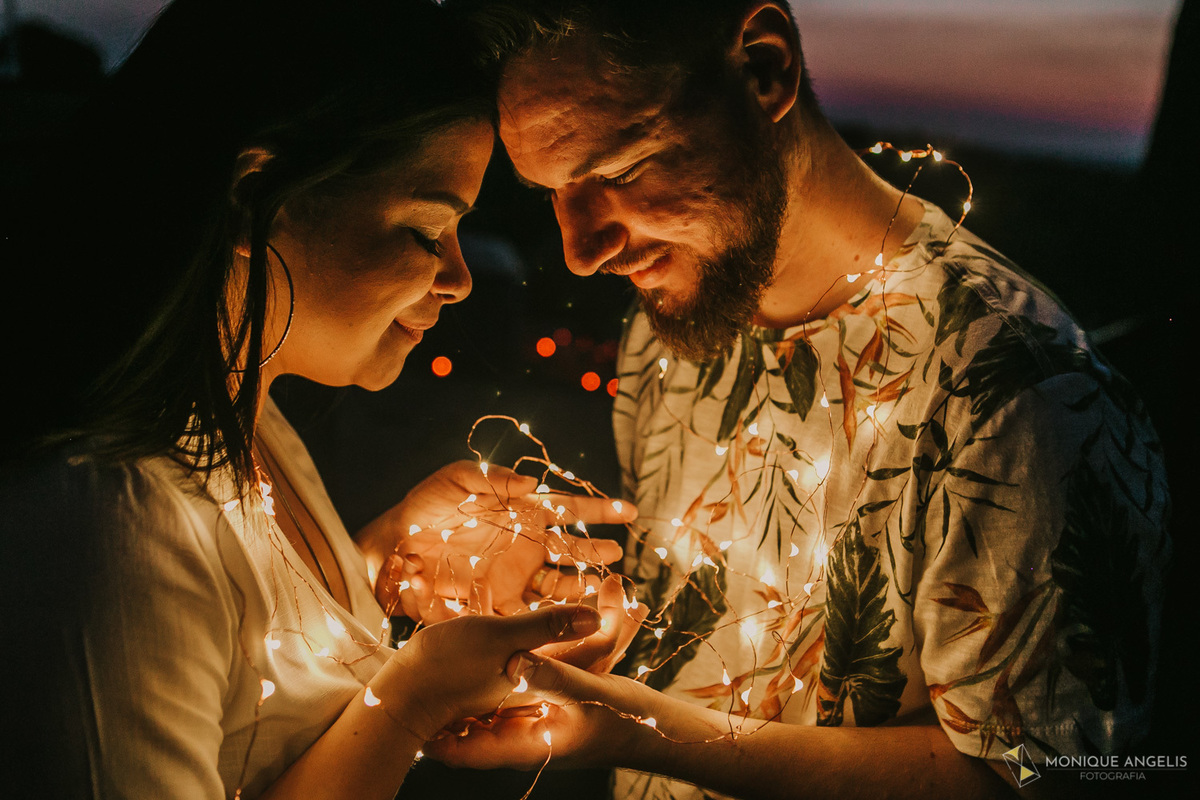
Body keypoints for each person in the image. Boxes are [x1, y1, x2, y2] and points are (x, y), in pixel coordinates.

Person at [426, 1, 1173, 797]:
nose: (579, 252)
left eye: (617, 171)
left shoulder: (1023, 395)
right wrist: (580, 631)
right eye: (551, 193)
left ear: (763, 67)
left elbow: (1050, 780)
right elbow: (714, 645)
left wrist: (642, 731)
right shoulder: (672, 325)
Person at [0, 0, 639, 796]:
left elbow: (241, 645)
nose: (459, 278)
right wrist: (412, 698)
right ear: (255, 194)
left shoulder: (247, 420)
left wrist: (382, 564)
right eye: (424, 230)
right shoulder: (107, 518)